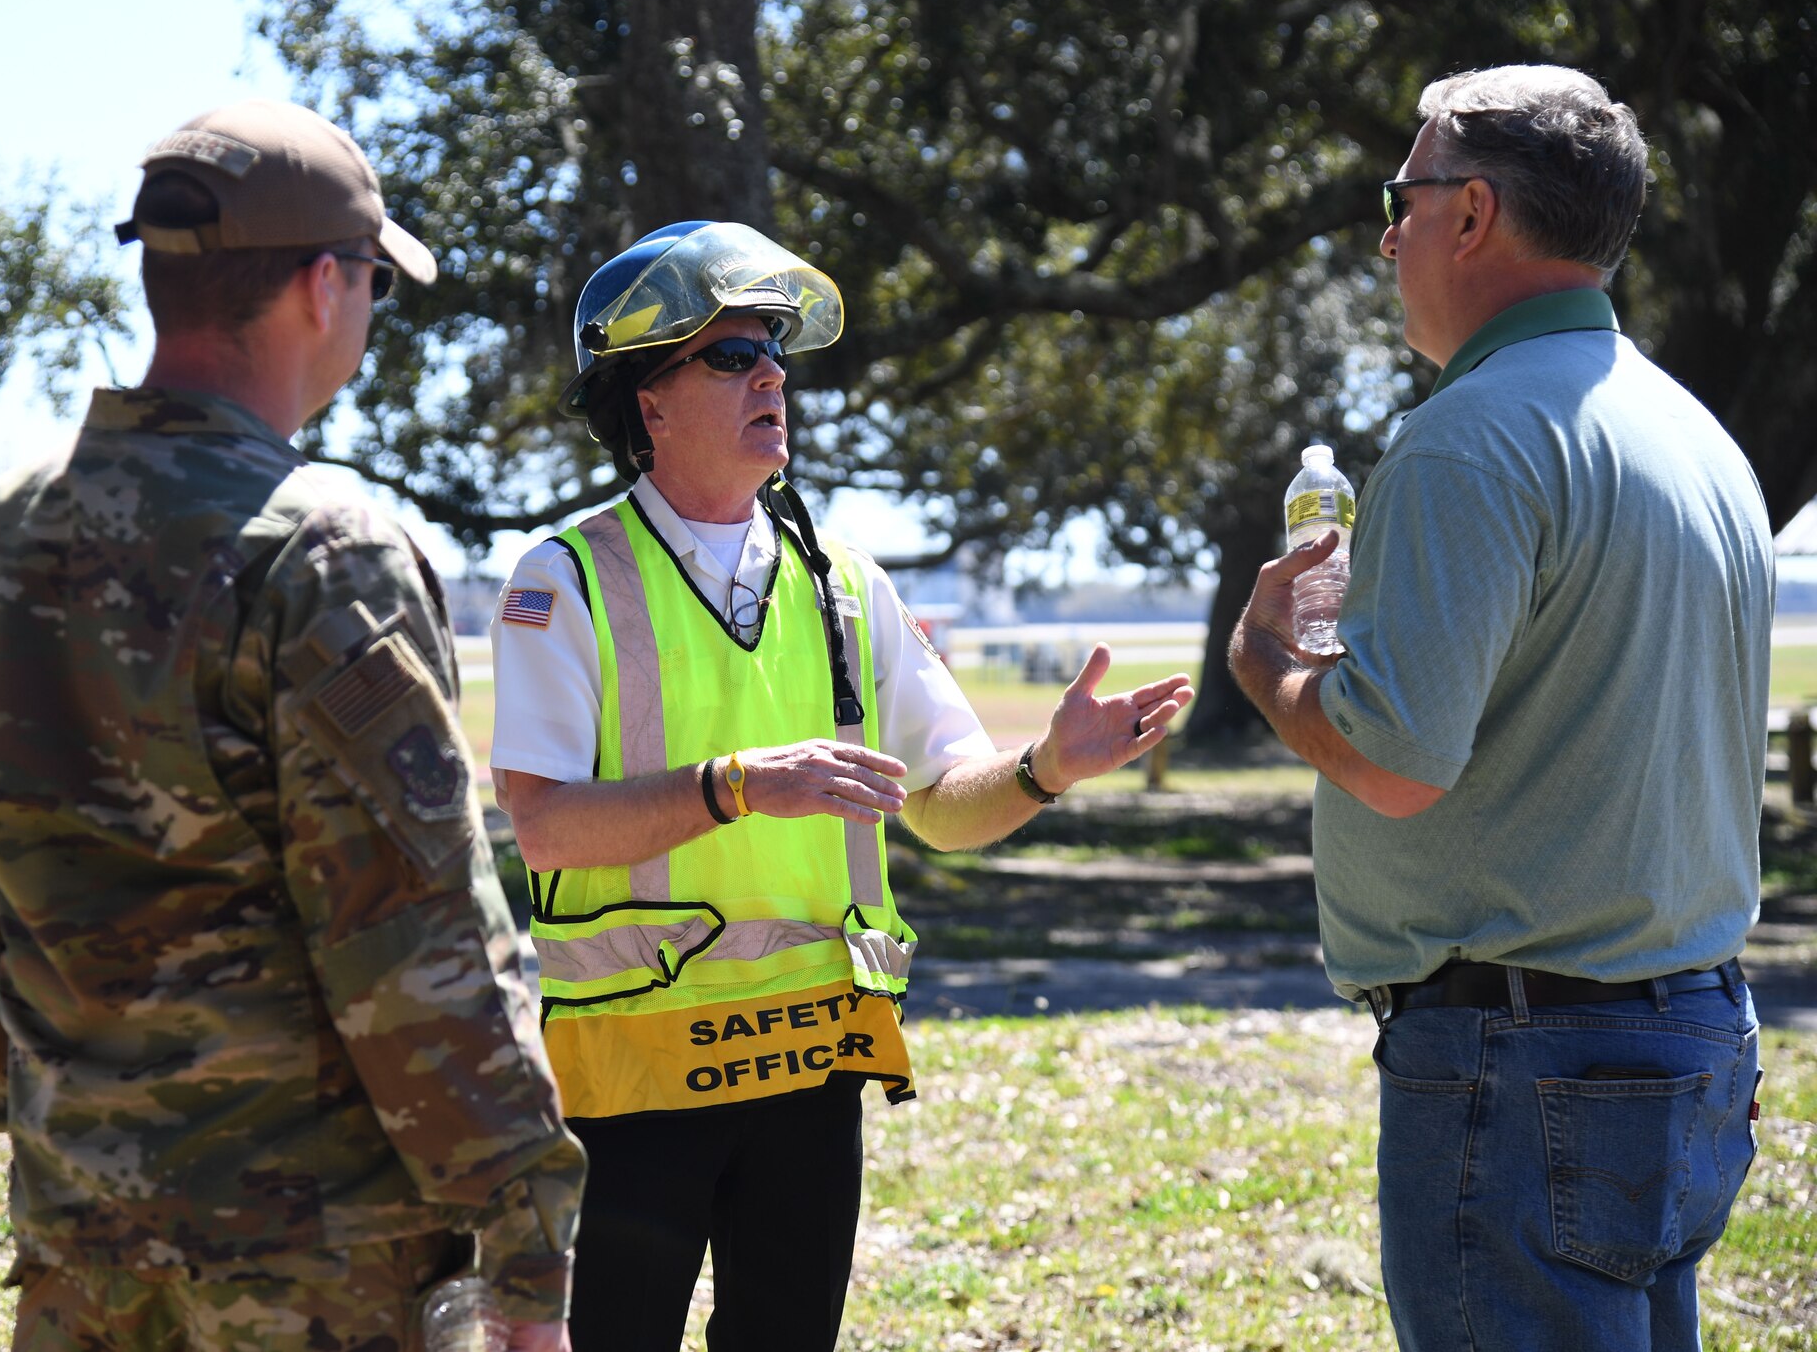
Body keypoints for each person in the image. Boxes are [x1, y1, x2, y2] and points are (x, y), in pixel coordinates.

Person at [0, 100, 584, 1352]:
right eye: (373, 279)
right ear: (325, 284)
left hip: (81, 1238)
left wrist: (50, 1105)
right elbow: (415, 936)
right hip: (312, 1262)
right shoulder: (325, 550)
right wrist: (526, 1248)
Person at [488, 219, 1193, 1351]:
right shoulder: (561, 580)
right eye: (728, 355)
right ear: (645, 402)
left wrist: (1042, 769)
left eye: (772, 351)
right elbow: (546, 828)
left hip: (809, 1067)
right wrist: (734, 784)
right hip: (628, 1082)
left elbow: (944, 802)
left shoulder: (847, 586)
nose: (770, 374)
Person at [1229, 66, 1772, 1350]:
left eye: (1399, 197)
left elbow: (1394, 760)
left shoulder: (1468, 437)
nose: (1385, 232)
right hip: (1686, 1027)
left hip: (1522, 1054)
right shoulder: (1690, 435)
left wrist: (1267, 663)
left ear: (1470, 215)